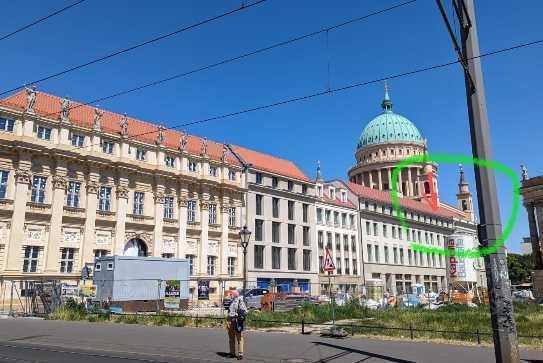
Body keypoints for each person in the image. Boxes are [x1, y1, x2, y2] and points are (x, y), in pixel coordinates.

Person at [226, 290, 247, 359]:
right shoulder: (231, 302)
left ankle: (240, 354)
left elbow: (245, 311)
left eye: (231, 294)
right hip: (230, 322)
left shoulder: (240, 302)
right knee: (231, 339)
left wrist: (238, 314)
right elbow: (229, 311)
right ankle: (232, 353)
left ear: (235, 295)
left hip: (237, 322)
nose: (230, 295)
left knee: (239, 338)